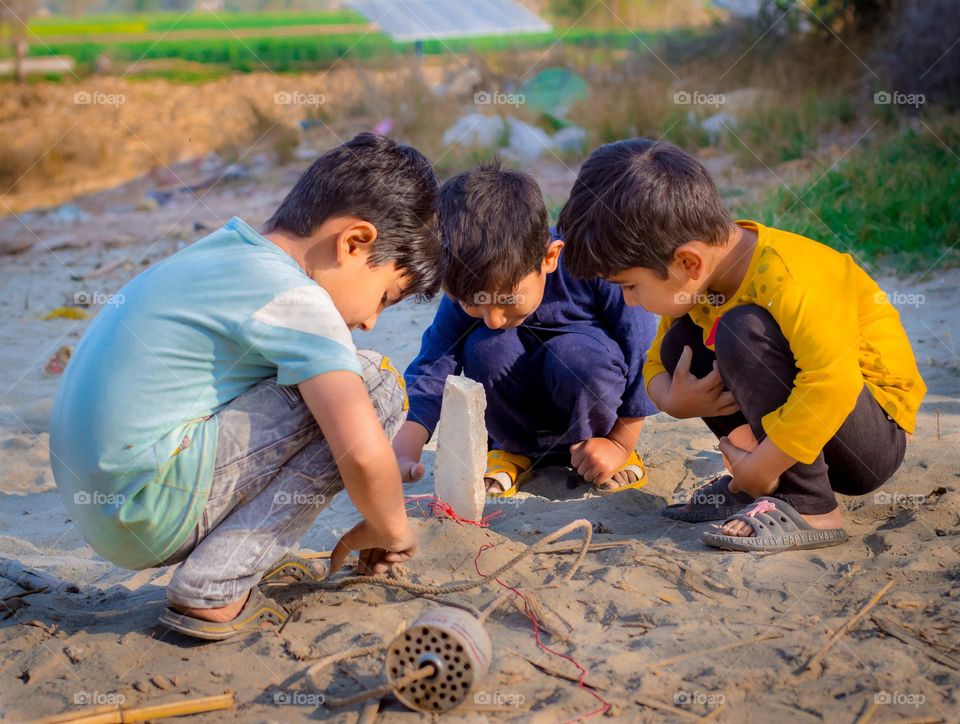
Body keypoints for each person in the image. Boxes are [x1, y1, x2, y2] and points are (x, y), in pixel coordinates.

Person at [49, 133, 442, 638]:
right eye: (385, 296)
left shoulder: (227, 254)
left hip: (104, 507)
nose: (370, 321)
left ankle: (222, 564)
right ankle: (216, 587)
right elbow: (364, 454)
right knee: (375, 384)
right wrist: (391, 529)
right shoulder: (297, 298)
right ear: (353, 242)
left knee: (321, 379)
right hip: (147, 502)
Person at [558, 138, 925, 551]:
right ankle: (759, 484)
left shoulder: (792, 278)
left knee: (741, 330)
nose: (628, 301)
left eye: (630, 286)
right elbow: (656, 361)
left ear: (688, 262)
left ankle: (809, 505)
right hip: (804, 436)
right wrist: (676, 399)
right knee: (683, 341)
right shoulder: (698, 281)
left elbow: (831, 386)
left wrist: (762, 466)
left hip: (867, 442)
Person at [393, 162, 659, 499]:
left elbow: (642, 349)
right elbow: (433, 365)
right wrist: (403, 449)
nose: (492, 317)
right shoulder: (471, 283)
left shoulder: (593, 269)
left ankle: (603, 448)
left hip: (594, 421)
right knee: (486, 344)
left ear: (550, 257)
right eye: (473, 302)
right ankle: (514, 450)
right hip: (517, 424)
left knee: (577, 354)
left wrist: (621, 441)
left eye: (506, 299)